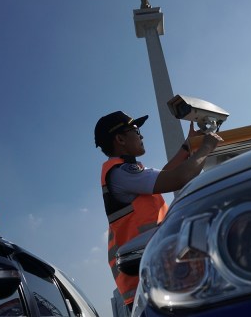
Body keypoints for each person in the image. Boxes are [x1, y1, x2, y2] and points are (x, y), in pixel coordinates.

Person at [94, 110, 222, 308]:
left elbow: (166, 173)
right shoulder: (121, 173)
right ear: (120, 138)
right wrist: (205, 148)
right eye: (136, 130)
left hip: (151, 275)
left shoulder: (123, 172)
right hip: (148, 280)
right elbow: (176, 178)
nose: (141, 135)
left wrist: (186, 148)